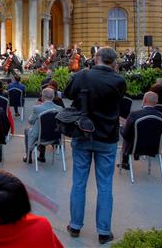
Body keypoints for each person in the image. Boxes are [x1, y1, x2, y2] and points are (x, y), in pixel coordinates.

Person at [64, 47, 126, 245]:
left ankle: (75, 226)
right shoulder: (118, 80)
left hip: (83, 134)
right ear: (113, 61)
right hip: (107, 137)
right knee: (105, 185)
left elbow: (67, 93)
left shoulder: (83, 76)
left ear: (96, 58)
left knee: (79, 183)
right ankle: (104, 231)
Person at [119, 91, 162, 167]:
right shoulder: (161, 116)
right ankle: (135, 156)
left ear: (144, 100)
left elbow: (125, 134)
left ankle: (125, 162)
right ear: (156, 103)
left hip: (134, 147)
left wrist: (121, 126)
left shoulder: (134, 114)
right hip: (153, 148)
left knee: (127, 134)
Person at [23, 87, 62, 164]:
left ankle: (29, 156)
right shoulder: (59, 109)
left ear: (42, 97)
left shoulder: (37, 108)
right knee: (43, 127)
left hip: (40, 137)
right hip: (55, 137)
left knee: (28, 130)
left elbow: (31, 121)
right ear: (53, 97)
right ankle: (41, 155)